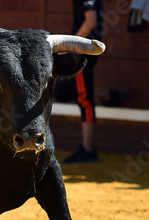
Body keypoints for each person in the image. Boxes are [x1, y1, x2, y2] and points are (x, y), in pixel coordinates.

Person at [55, 0, 104, 164]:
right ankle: (106, 96)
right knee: (65, 93)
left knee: (84, 99)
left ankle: (88, 149)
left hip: (80, 54)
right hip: (82, 51)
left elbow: (90, 21)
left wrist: (70, 46)